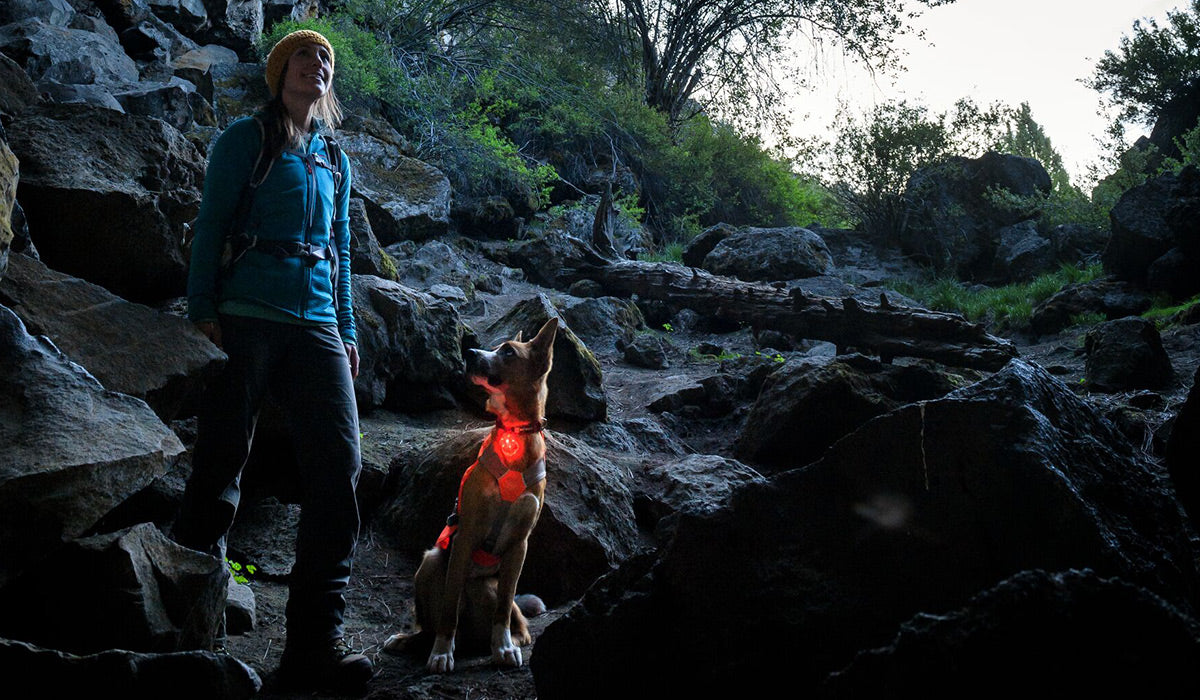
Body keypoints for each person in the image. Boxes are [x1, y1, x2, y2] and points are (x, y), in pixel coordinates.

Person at [174, 29, 372, 691]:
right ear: (278, 69)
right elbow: (210, 225)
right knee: (219, 466)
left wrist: (346, 331)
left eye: (326, 60)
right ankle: (186, 632)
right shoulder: (245, 140)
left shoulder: (334, 159)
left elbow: (342, 254)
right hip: (246, 318)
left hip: (317, 326)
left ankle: (314, 646)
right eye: (305, 54)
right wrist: (202, 308)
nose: (317, 64)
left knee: (340, 470)